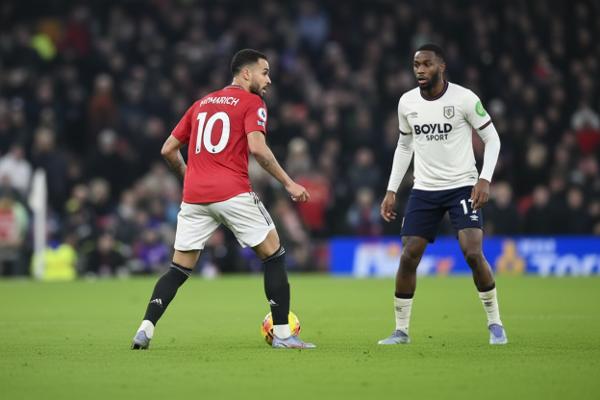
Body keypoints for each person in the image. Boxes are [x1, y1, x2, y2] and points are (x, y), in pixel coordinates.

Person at [131, 49, 316, 350]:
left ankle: (144, 330)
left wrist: (190, 177)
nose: (269, 80)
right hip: (232, 192)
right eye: (265, 72)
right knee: (274, 255)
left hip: (195, 197)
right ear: (246, 73)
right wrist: (289, 183)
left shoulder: (201, 104)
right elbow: (258, 149)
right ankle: (283, 335)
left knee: (178, 269)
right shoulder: (252, 102)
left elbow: (167, 149)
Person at [378, 44, 507, 345]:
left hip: (462, 185)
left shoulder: (464, 98)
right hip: (425, 189)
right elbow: (404, 146)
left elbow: (492, 139)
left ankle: (495, 323)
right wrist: (391, 189)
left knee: (472, 252)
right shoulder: (407, 102)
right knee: (409, 255)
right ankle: (401, 331)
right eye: (416, 65)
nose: (420, 70)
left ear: (441, 66)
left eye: (427, 64)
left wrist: (484, 179)